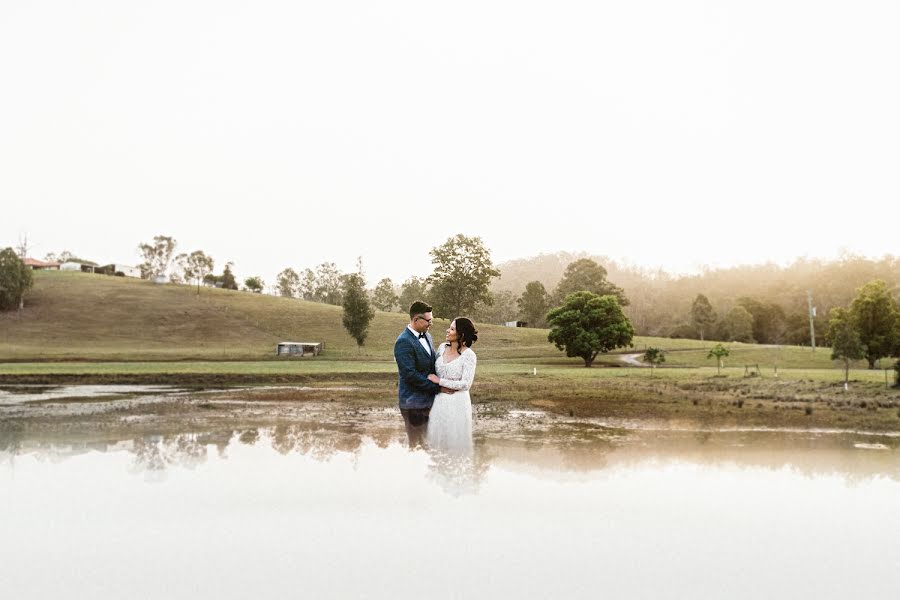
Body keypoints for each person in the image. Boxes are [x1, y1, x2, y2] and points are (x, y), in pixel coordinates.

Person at [393, 300, 445, 448]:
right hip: (413, 404)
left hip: (429, 402)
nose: (431, 324)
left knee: (428, 446)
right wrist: (438, 387)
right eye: (428, 321)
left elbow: (430, 366)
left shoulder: (427, 336)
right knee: (416, 447)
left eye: (431, 320)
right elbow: (410, 375)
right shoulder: (403, 342)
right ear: (416, 319)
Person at [426, 317, 478, 454]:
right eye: (449, 327)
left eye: (452, 329)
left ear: (461, 334)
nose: (448, 330)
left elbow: (466, 384)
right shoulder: (442, 347)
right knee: (436, 439)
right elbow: (432, 371)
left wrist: (440, 381)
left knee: (455, 441)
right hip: (438, 401)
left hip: (458, 402)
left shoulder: (469, 356)